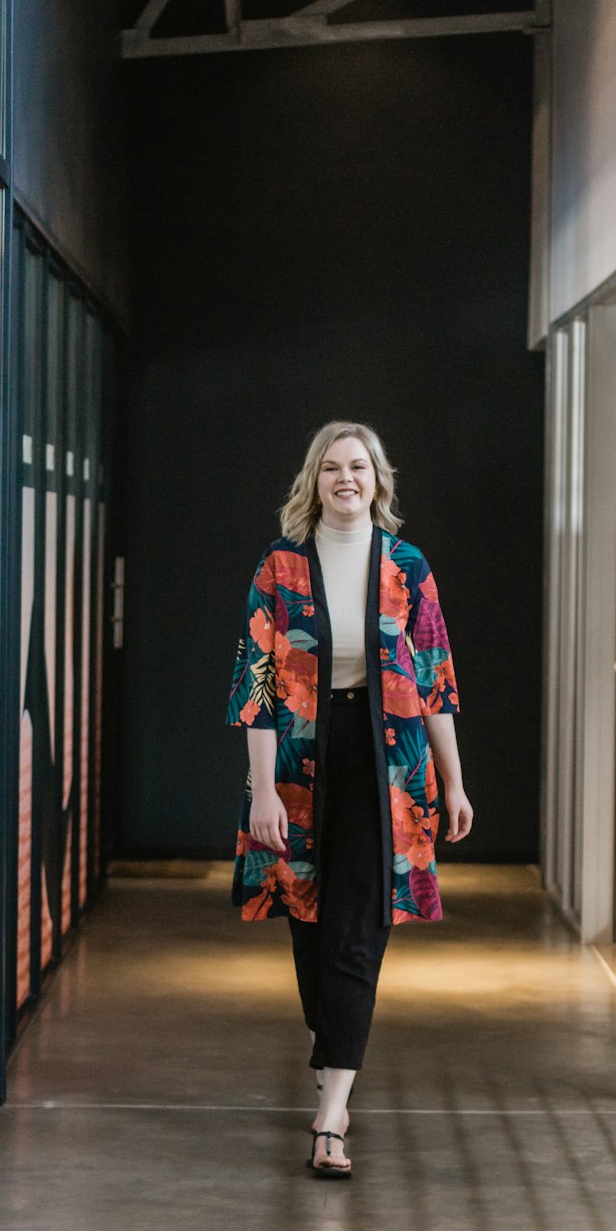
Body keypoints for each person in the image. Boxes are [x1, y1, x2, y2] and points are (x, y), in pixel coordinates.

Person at [226, 421, 472, 1177]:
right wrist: (261, 787)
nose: (346, 479)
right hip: (301, 759)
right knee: (307, 918)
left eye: (358, 467)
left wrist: (455, 779)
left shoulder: (406, 565)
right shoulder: (280, 568)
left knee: (357, 929)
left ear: (378, 479)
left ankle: (332, 1115)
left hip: (384, 762)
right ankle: (330, 1038)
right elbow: (257, 683)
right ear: (314, 480)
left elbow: (433, 678)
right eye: (332, 468)